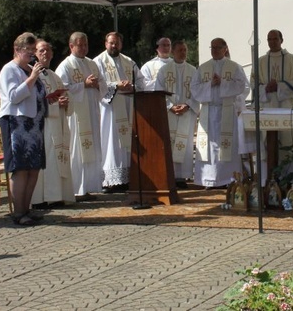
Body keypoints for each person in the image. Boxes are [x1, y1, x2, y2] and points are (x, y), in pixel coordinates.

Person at [0, 33, 58, 225]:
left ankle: (27, 208)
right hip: (17, 125)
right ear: (17, 50)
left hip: (35, 125)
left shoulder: (32, 69)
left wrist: (50, 98)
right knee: (21, 168)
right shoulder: (9, 70)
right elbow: (13, 96)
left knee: (33, 168)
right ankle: (18, 212)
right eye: (29, 51)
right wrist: (32, 78)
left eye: (34, 51)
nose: (33, 55)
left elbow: (37, 94)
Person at [190, 37, 248, 188]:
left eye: (217, 47)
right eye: (212, 48)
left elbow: (242, 85)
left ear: (225, 48)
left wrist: (222, 83)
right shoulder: (203, 68)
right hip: (208, 111)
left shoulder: (235, 67)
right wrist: (210, 84)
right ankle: (209, 179)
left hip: (227, 110)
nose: (214, 50)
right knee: (209, 147)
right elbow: (194, 88)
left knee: (227, 147)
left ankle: (229, 179)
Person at [56, 32, 105, 201]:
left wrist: (98, 85)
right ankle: (76, 189)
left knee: (92, 150)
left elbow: (103, 85)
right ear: (71, 46)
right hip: (76, 116)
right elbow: (61, 88)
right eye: (80, 45)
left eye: (86, 44)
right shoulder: (65, 66)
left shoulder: (92, 64)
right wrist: (83, 84)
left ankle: (88, 187)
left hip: (92, 112)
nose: (84, 48)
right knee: (77, 151)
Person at [93, 32, 144, 193]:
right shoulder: (98, 62)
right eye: (111, 43)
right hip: (110, 109)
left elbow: (141, 81)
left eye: (117, 43)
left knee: (127, 143)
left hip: (128, 106)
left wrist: (132, 87)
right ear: (105, 43)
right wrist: (116, 85)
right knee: (110, 143)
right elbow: (97, 84)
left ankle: (126, 178)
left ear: (121, 44)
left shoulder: (129, 62)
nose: (114, 46)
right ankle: (109, 180)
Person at [250, 29, 293, 160]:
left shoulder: (292, 60)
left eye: (275, 39)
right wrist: (265, 87)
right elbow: (253, 83)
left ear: (281, 40)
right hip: (267, 106)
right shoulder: (260, 61)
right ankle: (269, 175)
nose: (272, 42)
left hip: (288, 107)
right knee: (268, 142)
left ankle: (290, 175)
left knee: (288, 140)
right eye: (269, 39)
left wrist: (279, 86)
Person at [30, 39, 75, 208]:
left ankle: (57, 195)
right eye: (41, 50)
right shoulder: (33, 74)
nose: (45, 54)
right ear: (35, 53)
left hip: (58, 125)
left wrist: (65, 102)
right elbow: (34, 101)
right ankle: (41, 198)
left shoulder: (54, 75)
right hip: (44, 125)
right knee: (47, 160)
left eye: (48, 50)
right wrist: (56, 104)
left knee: (57, 160)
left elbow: (66, 97)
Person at [155, 39, 198, 187]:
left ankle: (182, 177)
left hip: (187, 112)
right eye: (180, 50)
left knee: (185, 144)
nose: (183, 53)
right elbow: (158, 91)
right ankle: (170, 175)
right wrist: (170, 106)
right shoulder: (164, 71)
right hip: (170, 113)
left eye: (185, 50)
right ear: (173, 52)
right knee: (170, 143)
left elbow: (198, 92)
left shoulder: (193, 71)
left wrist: (187, 105)